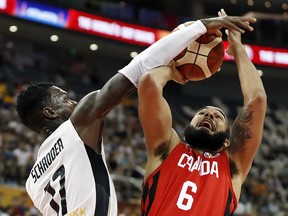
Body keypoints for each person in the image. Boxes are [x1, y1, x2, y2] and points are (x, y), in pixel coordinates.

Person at [16, 11, 256, 216]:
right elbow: (137, 70)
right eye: (65, 99)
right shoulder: (78, 125)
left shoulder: (32, 182)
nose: (75, 101)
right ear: (49, 112)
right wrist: (200, 27)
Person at [138, 9, 266, 216]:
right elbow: (148, 82)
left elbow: (257, 101)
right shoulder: (166, 148)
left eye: (218, 116)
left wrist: (237, 47)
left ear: (227, 141)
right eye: (202, 113)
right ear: (187, 125)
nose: (208, 116)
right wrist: (172, 71)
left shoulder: (232, 165)